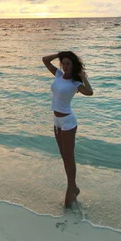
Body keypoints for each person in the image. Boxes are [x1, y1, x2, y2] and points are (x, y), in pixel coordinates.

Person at [42, 51, 93, 208]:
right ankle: (74, 187)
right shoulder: (58, 75)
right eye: (63, 63)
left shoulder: (75, 83)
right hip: (57, 121)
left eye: (68, 63)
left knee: (69, 156)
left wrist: (83, 76)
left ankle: (71, 188)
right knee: (64, 156)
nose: (65, 66)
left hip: (68, 122)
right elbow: (45, 60)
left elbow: (89, 92)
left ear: (73, 66)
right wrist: (59, 54)